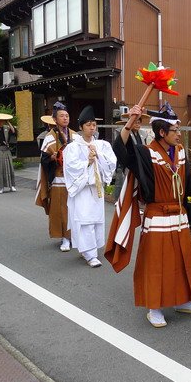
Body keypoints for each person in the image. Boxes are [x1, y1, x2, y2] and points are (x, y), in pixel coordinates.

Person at [105, 102, 191, 328]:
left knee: (183, 259)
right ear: (162, 132)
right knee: (156, 263)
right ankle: (154, 308)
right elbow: (120, 148)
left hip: (179, 214)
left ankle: (183, 300)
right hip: (157, 215)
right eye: (175, 131)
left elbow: (187, 180)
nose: (179, 134)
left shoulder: (179, 152)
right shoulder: (145, 153)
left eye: (179, 130)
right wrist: (131, 121)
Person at [63, 106, 116, 268]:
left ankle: (90, 249)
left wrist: (98, 155)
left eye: (94, 125)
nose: (92, 128)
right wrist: (87, 161)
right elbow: (70, 167)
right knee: (84, 220)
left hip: (96, 189)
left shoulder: (102, 145)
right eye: (88, 125)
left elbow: (111, 162)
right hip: (82, 189)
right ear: (81, 127)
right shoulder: (73, 147)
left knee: (96, 220)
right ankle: (90, 254)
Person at [36, 103, 78, 252]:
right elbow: (44, 159)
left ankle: (75, 235)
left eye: (67, 115)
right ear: (54, 119)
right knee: (60, 209)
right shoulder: (49, 137)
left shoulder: (75, 135)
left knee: (75, 209)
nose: (65, 118)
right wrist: (52, 157)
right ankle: (64, 238)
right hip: (59, 177)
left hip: (74, 179)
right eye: (62, 116)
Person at [112, 111, 150, 202]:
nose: (137, 124)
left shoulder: (143, 134)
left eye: (139, 122)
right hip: (126, 163)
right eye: (135, 122)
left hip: (139, 163)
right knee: (124, 186)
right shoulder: (123, 132)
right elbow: (119, 147)